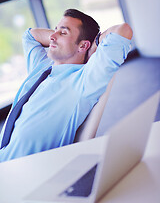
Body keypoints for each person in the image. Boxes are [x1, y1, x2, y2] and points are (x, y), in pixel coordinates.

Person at [0, 9, 133, 162]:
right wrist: (63, 38)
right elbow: (30, 36)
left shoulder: (85, 80)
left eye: (63, 33)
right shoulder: (42, 66)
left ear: (83, 46)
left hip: (20, 170)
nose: (52, 36)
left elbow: (123, 31)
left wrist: (93, 47)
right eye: (55, 29)